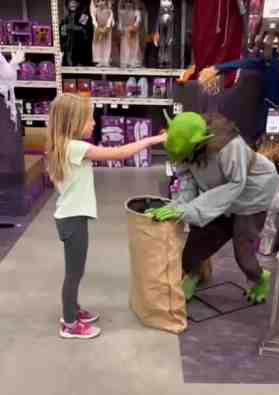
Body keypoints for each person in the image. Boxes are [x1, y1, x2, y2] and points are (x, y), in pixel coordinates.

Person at [46, 93, 167, 339]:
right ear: (73, 122)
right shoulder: (75, 147)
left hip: (71, 216)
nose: (94, 123)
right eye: (89, 119)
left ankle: (73, 310)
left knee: (75, 271)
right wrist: (155, 139)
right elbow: (120, 153)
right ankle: (69, 324)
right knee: (74, 274)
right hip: (73, 218)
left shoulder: (63, 145)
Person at [148, 112, 279, 303]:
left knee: (243, 252)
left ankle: (259, 278)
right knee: (196, 242)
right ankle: (193, 276)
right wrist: (179, 206)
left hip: (252, 196)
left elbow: (236, 184)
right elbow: (187, 180)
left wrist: (190, 209)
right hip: (219, 194)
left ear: (199, 142)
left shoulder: (229, 146)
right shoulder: (182, 143)